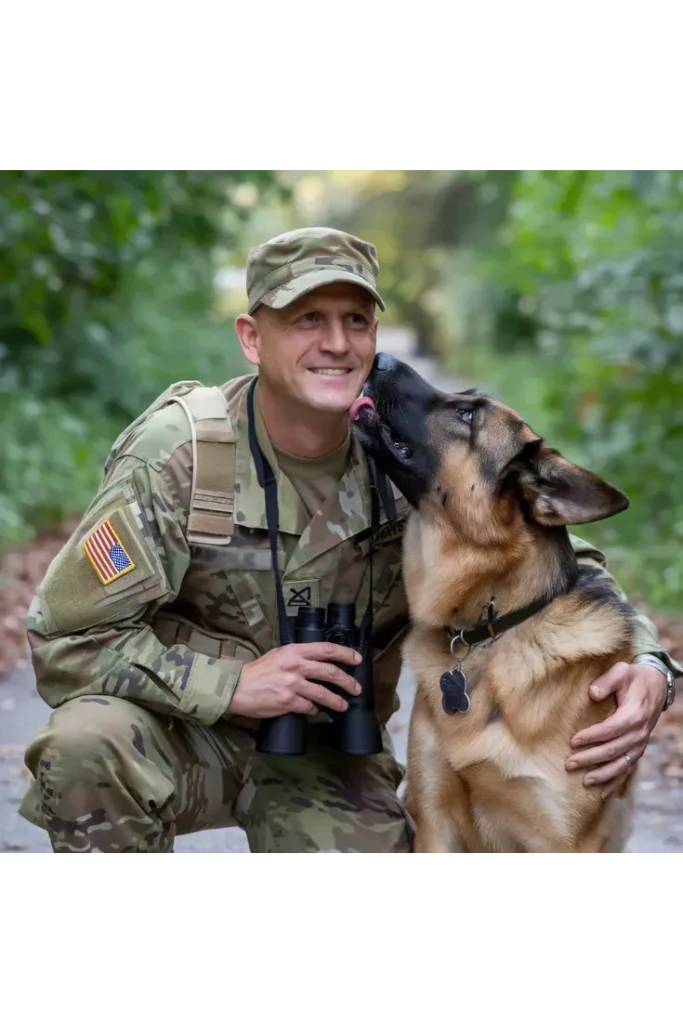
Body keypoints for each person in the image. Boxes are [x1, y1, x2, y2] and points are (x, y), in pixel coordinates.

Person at [18, 226, 681, 856]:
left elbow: (559, 561)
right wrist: (231, 685)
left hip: (329, 754)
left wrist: (651, 667)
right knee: (83, 745)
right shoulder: (182, 457)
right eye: (307, 318)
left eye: (355, 320)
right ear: (251, 337)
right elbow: (64, 639)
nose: (336, 342)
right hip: (179, 738)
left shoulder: (409, 459)